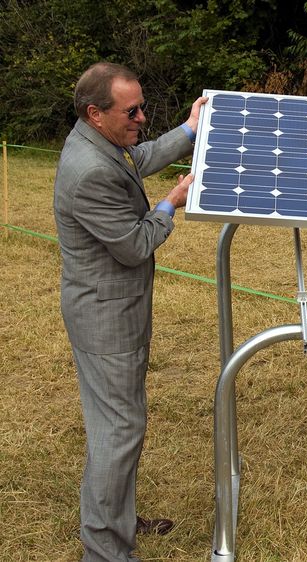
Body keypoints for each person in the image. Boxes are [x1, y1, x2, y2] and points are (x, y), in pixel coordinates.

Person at [53, 61, 207, 561]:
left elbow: (137, 156)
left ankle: (116, 520)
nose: (142, 116)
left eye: (143, 106)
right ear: (96, 113)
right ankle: (106, 549)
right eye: (132, 109)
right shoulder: (92, 171)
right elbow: (135, 244)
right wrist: (171, 202)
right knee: (118, 433)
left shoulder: (100, 144)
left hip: (111, 312)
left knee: (118, 427)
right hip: (106, 320)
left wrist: (188, 128)